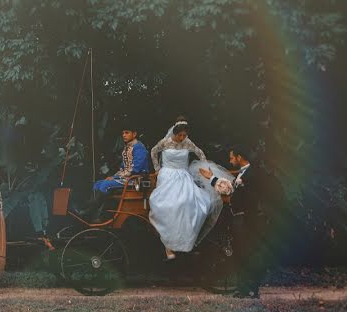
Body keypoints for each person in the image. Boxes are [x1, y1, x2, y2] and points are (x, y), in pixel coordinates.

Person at [148, 119, 232, 259]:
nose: (182, 138)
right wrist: (157, 169)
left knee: (190, 203)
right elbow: (153, 152)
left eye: (184, 135)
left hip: (183, 174)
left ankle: (184, 240)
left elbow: (200, 153)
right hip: (167, 175)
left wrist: (204, 166)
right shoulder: (165, 142)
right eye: (180, 135)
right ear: (174, 133)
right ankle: (168, 244)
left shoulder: (187, 142)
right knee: (170, 205)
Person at [199, 144, 272, 298]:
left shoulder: (251, 174)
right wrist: (211, 178)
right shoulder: (243, 174)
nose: (230, 159)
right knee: (241, 253)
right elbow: (230, 188)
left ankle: (252, 288)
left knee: (247, 253)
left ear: (240, 157)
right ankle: (245, 288)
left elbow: (233, 191)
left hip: (247, 218)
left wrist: (212, 178)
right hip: (241, 217)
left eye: (232, 157)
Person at [84, 125, 150, 221]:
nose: (124, 135)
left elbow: (135, 169)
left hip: (136, 179)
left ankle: (96, 214)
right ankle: (94, 213)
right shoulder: (127, 147)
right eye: (123, 133)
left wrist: (116, 178)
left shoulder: (139, 147)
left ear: (134, 134)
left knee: (106, 185)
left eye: (127, 132)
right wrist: (113, 176)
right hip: (126, 177)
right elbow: (123, 168)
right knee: (98, 184)